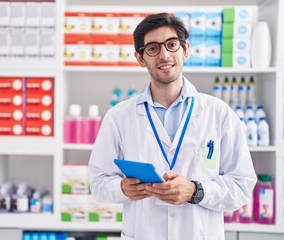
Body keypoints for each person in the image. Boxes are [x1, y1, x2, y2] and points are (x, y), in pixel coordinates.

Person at [88, 12, 257, 240]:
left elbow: (242, 185)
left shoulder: (219, 113)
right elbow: (98, 183)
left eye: (171, 44)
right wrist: (121, 188)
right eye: (153, 48)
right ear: (140, 58)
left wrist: (196, 191)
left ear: (185, 50)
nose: (164, 55)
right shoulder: (118, 117)